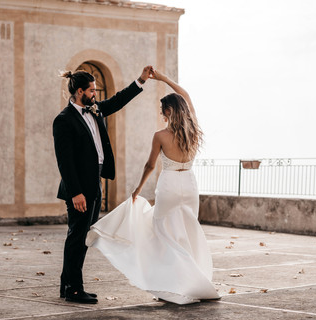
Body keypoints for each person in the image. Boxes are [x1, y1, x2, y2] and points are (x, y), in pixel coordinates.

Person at [86, 68, 221, 304]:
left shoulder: (160, 135)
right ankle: (192, 281)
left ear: (168, 112)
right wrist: (164, 79)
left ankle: (171, 283)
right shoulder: (193, 130)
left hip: (169, 185)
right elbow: (186, 95)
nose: (161, 114)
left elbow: (149, 165)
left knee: (163, 235)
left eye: (162, 111)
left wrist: (138, 189)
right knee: (186, 233)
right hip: (189, 185)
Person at [53, 66, 152, 304]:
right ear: (79, 92)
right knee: (77, 237)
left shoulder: (95, 110)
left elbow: (118, 101)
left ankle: (68, 284)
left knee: (82, 236)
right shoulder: (64, 120)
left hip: (95, 182)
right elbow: (64, 161)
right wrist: (76, 192)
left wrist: (140, 80)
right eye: (91, 90)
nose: (95, 94)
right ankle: (74, 290)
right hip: (79, 188)